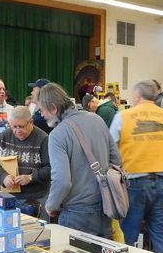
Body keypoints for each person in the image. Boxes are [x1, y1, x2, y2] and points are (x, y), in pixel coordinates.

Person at [110, 80, 163, 253]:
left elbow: (110, 148)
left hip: (133, 184)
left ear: (137, 96)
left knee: (127, 235)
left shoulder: (123, 117)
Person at [39, 83, 122, 237]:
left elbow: (62, 181)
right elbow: (117, 160)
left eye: (42, 110)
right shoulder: (97, 119)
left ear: (53, 108)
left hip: (76, 213)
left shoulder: (57, 135)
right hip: (106, 206)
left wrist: (51, 206)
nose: (41, 114)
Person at [0, 106, 50, 218]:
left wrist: (30, 178)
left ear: (31, 122)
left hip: (36, 198)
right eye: (14, 127)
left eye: (21, 127)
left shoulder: (43, 139)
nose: (16, 131)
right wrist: (3, 177)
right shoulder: (5, 135)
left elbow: (50, 168)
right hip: (9, 196)